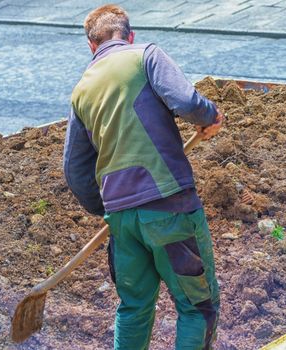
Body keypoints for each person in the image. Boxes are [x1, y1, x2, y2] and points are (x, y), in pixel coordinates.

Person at [63, 4, 223, 349]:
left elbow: (75, 171)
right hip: (169, 206)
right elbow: (185, 100)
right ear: (128, 35)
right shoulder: (145, 55)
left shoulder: (81, 90)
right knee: (198, 308)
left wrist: (110, 208)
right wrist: (209, 114)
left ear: (92, 45)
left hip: (122, 220)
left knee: (134, 308)